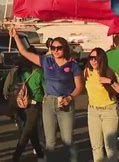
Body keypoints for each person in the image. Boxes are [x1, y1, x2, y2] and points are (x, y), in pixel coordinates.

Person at [10, 27, 83, 162]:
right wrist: (15, 36)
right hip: (49, 103)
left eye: (59, 48)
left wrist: (70, 97)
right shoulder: (46, 61)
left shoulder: (73, 66)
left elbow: (79, 87)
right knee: (50, 142)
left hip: (66, 103)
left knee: (67, 140)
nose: (55, 50)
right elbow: (24, 52)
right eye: (53, 48)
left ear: (65, 48)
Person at [84, 48, 119, 162]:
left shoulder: (110, 73)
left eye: (96, 58)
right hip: (93, 111)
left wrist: (110, 81)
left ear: (102, 59)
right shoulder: (87, 72)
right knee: (96, 146)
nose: (93, 61)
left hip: (109, 111)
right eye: (91, 58)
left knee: (110, 146)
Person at [9, 52, 45, 161]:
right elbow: (45, 90)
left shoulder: (17, 73)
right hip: (34, 105)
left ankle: (40, 155)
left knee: (30, 131)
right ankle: (16, 157)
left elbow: (12, 87)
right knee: (27, 132)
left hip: (19, 105)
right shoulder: (38, 73)